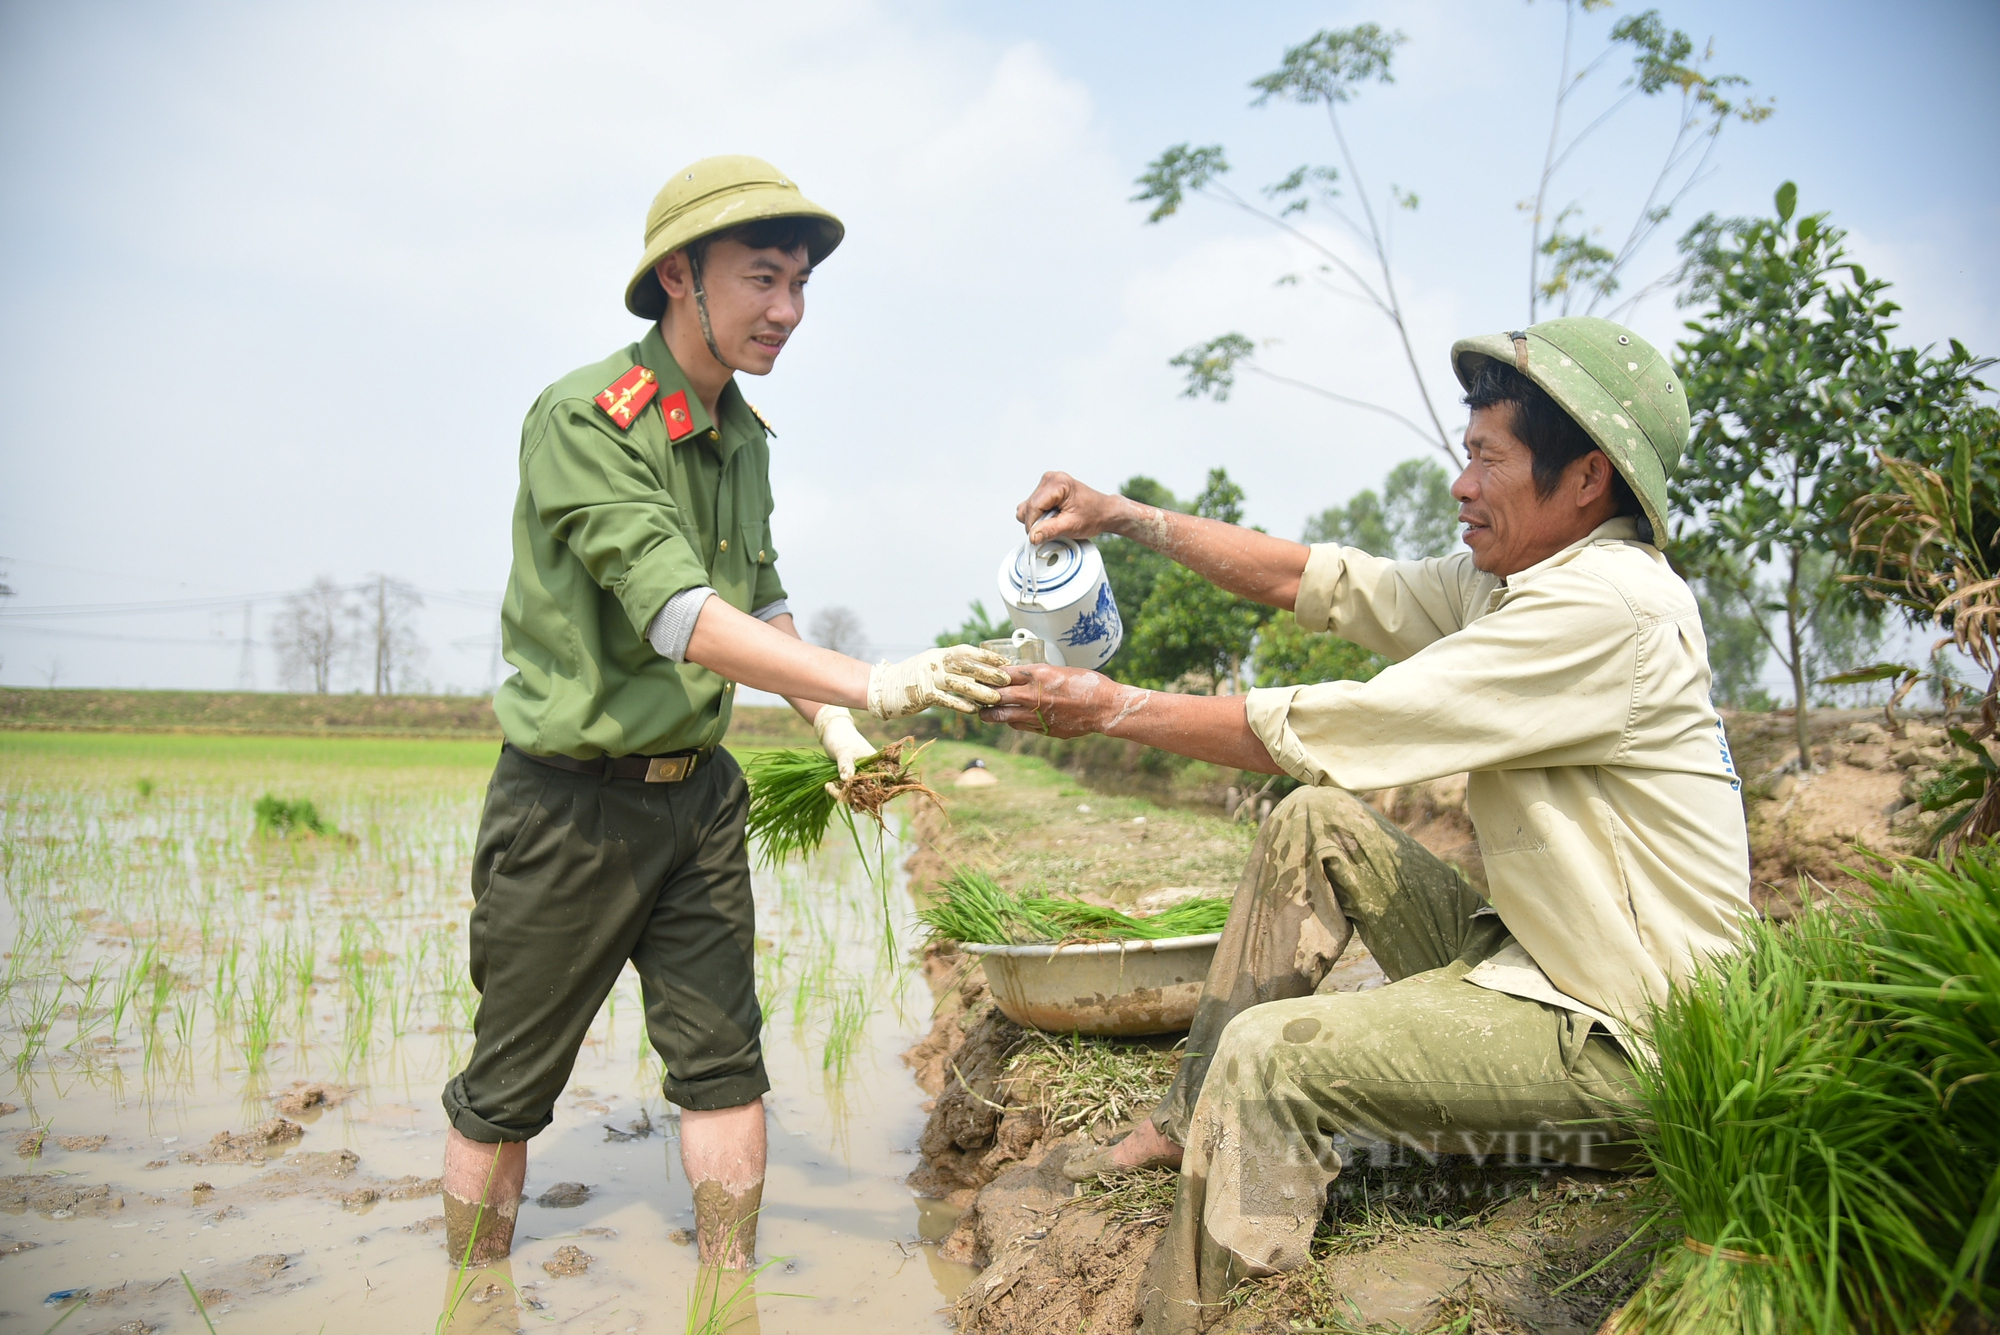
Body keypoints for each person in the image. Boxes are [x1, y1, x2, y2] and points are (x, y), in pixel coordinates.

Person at [981, 317, 1751, 1331]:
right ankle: (1185, 1123)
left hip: (1628, 1037)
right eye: (1462, 454)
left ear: (1584, 480)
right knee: (1316, 823)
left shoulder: (1602, 609)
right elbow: (1325, 586)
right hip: (1547, 962)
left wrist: (1113, 708)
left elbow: (1346, 725)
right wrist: (1125, 517)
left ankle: (1203, 1308)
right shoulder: (1519, 581)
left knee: (1275, 1055)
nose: (1459, 485)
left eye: (1486, 458)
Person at [440, 155, 1008, 1272]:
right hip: (570, 808)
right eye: (761, 279)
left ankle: (728, 1293)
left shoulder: (741, 433)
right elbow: (676, 613)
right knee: (506, 1090)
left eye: (800, 283)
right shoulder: (587, 418)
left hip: (696, 801)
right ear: (677, 279)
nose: (788, 311)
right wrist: (873, 681)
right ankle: (474, 1296)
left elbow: (760, 601)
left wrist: (831, 726)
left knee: (723, 1065)